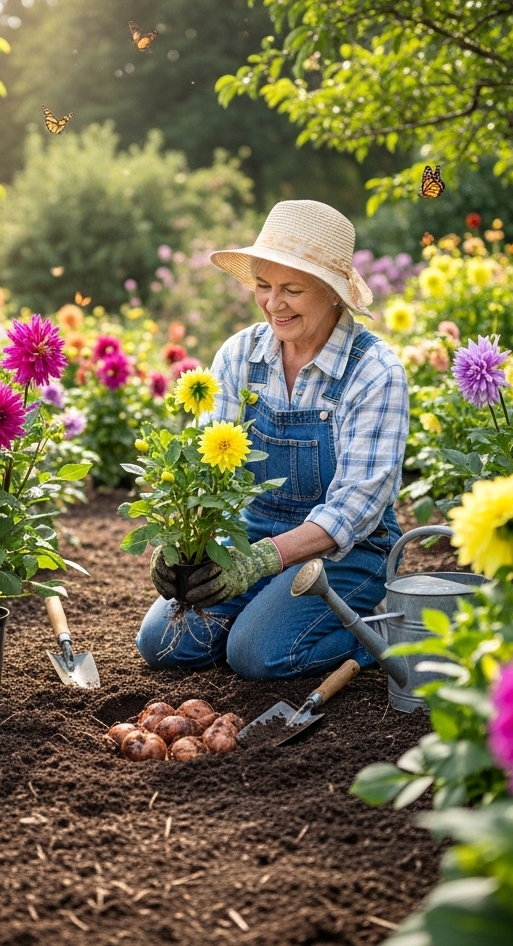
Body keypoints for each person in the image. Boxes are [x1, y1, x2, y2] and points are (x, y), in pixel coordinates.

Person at [135, 199, 409, 680]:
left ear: (333, 293)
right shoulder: (240, 355)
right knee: (165, 642)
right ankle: (265, 617)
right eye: (263, 285)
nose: (273, 304)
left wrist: (262, 562)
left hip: (348, 552)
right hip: (250, 536)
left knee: (255, 655)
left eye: (293, 289)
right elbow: (208, 474)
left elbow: (356, 508)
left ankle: (376, 633)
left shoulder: (374, 372)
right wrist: (179, 545)